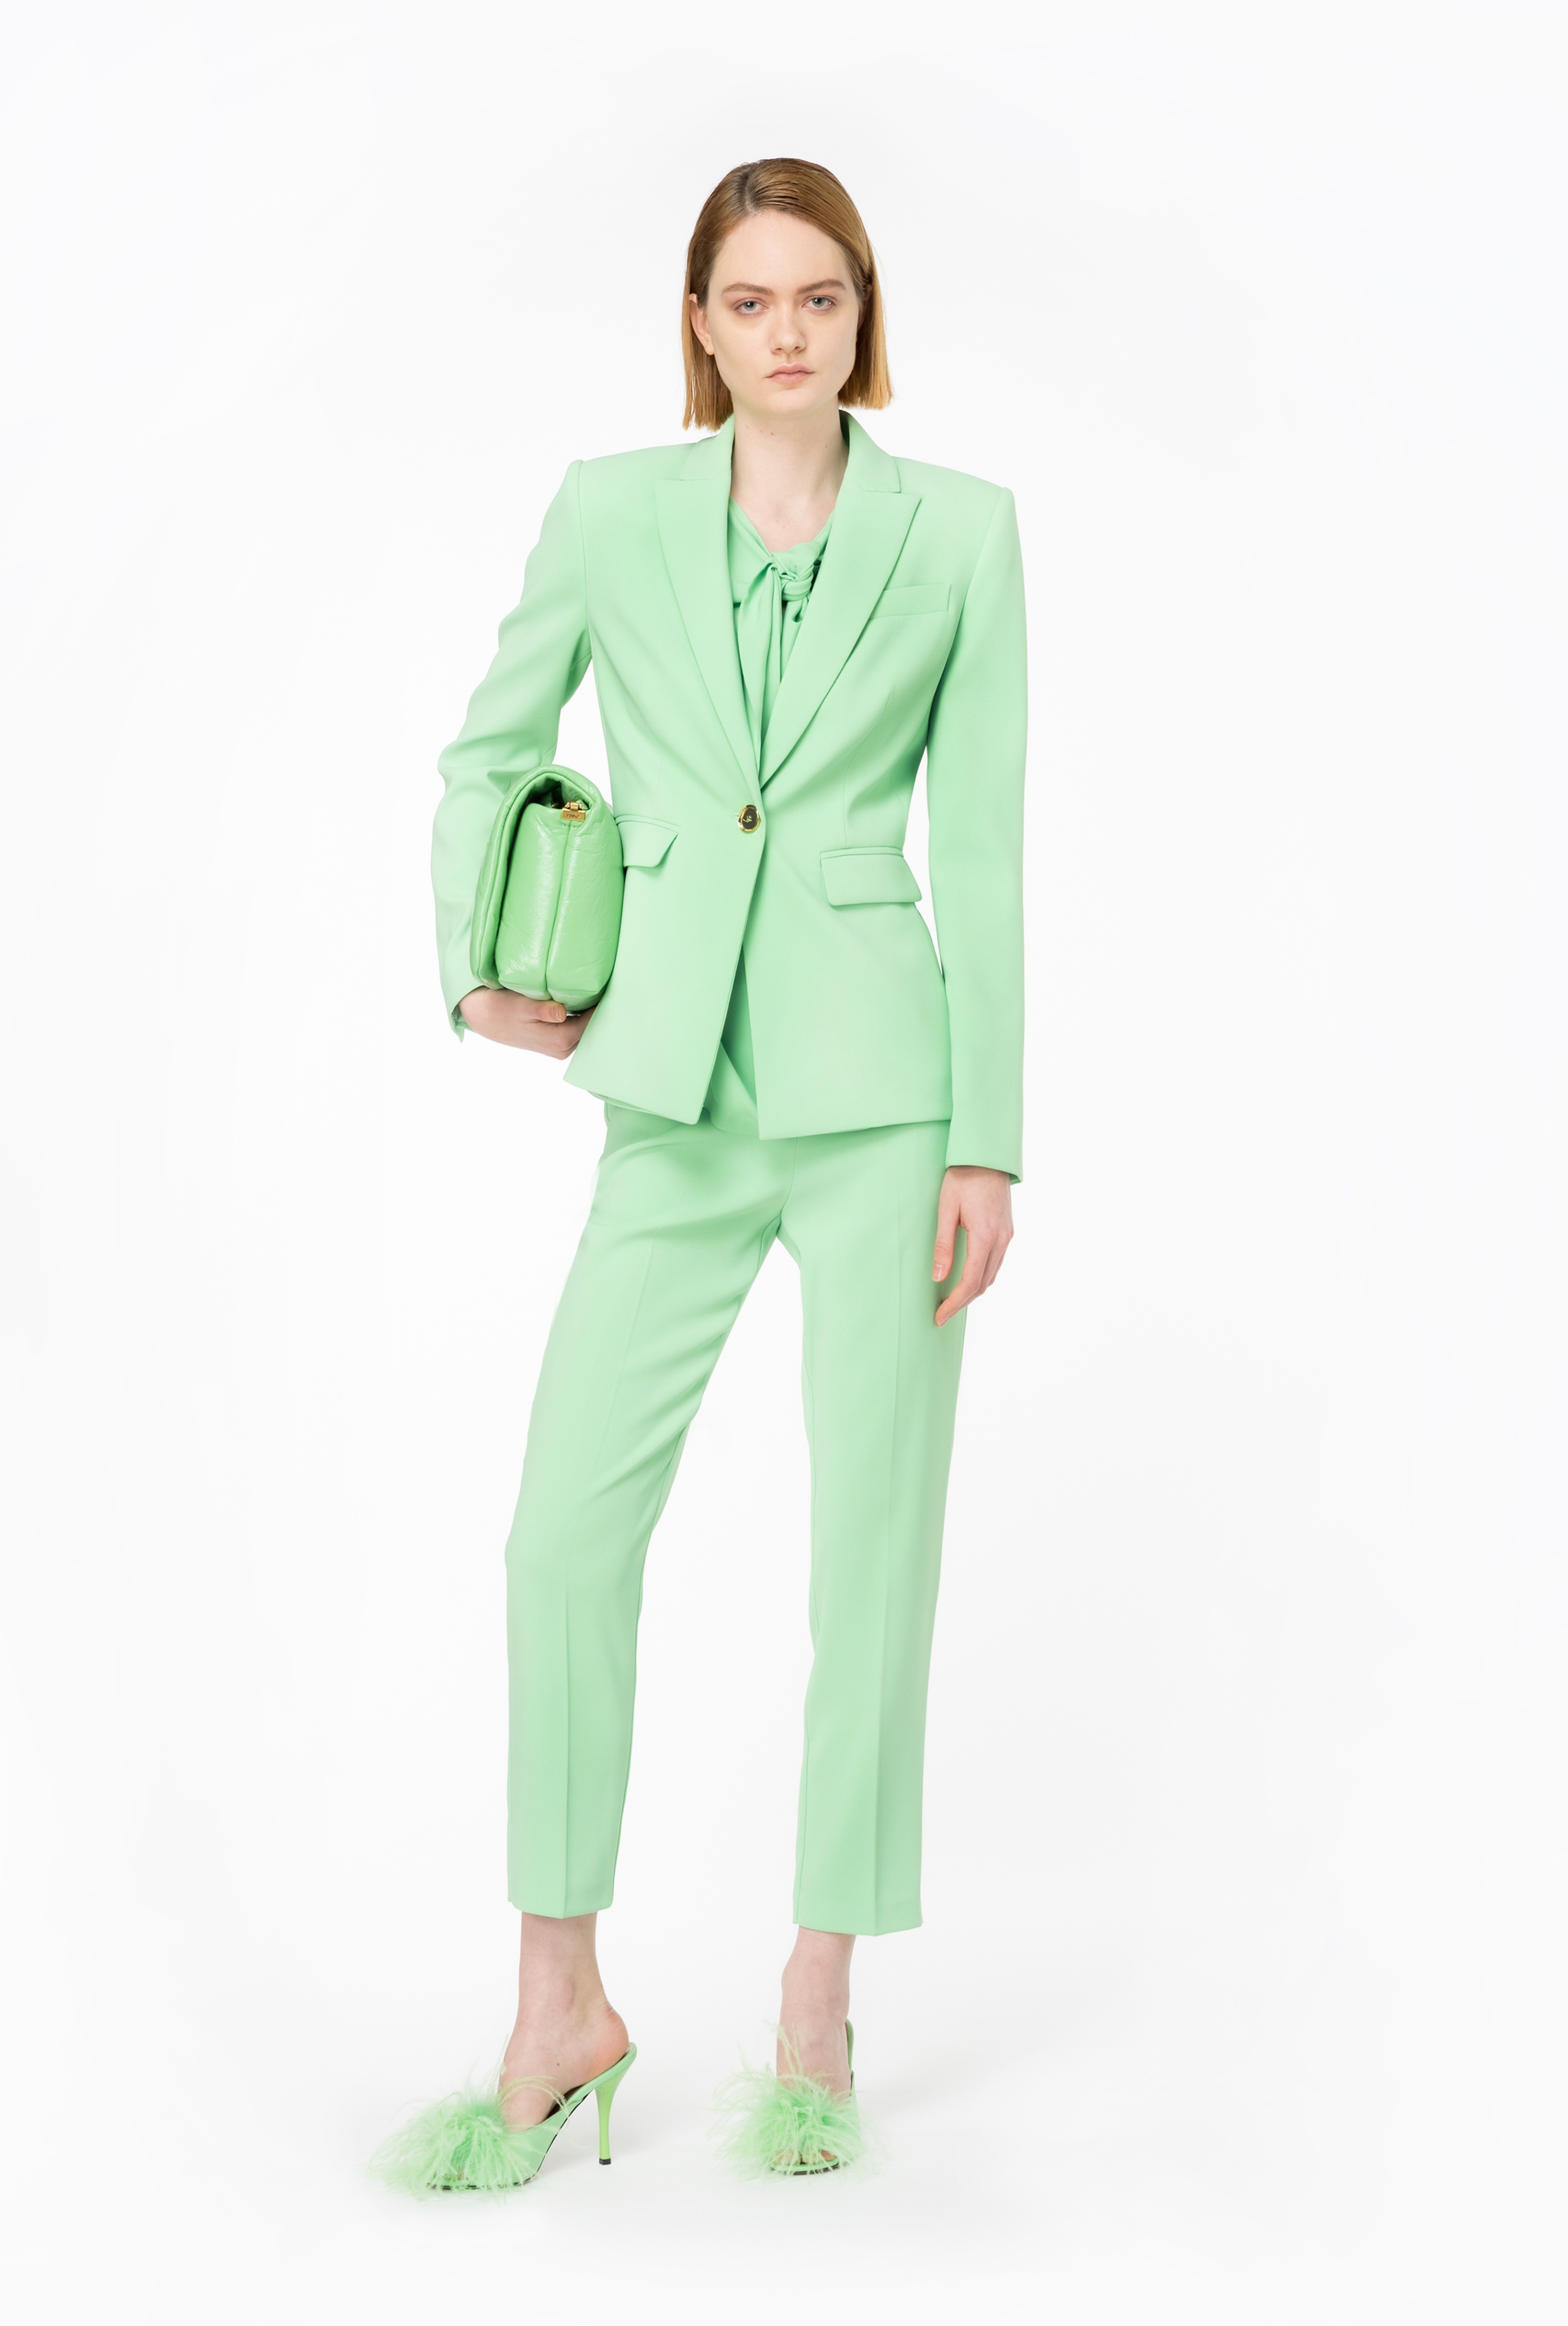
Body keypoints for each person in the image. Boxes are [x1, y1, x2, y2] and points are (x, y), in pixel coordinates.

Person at [376, 157, 1026, 2192]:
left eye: (818, 296)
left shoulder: (960, 533)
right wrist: (479, 962)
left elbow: (985, 846)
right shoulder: (610, 510)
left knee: (872, 1552)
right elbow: (487, 750)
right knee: (561, 1537)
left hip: (884, 1100)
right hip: (670, 1089)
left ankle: (818, 1997)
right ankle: (556, 1996)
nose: (785, 332)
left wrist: (988, 1138)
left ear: (861, 315)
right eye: (748, 300)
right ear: (699, 323)